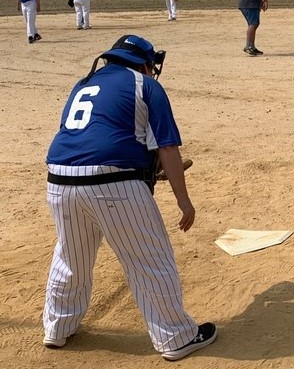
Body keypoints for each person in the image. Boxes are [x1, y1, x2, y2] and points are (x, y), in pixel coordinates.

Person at [42, 35, 216, 361]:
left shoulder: (84, 83)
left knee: (70, 257)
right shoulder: (145, 85)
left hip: (59, 179)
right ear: (145, 63)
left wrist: (141, 169)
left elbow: (93, 136)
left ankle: (58, 327)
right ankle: (175, 337)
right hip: (113, 184)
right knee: (150, 260)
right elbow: (167, 148)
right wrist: (184, 202)